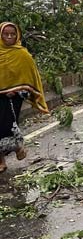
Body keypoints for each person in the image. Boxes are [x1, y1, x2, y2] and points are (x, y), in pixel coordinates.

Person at [0, 22, 48, 172]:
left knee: (7, 126)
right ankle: (1, 160)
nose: (9, 37)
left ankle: (17, 147)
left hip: (14, 98)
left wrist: (16, 90)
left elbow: (30, 78)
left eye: (12, 34)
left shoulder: (23, 55)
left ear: (17, 35)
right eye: (5, 34)